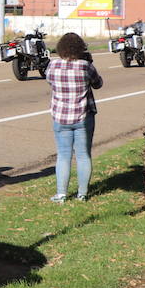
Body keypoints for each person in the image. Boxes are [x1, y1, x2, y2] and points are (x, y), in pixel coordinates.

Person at [44, 32, 103, 202]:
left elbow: (50, 81)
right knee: (83, 155)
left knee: (63, 155)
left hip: (60, 116)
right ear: (80, 49)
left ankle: (61, 193)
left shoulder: (52, 66)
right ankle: (82, 194)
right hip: (83, 116)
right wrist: (89, 62)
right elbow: (98, 84)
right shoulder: (86, 66)